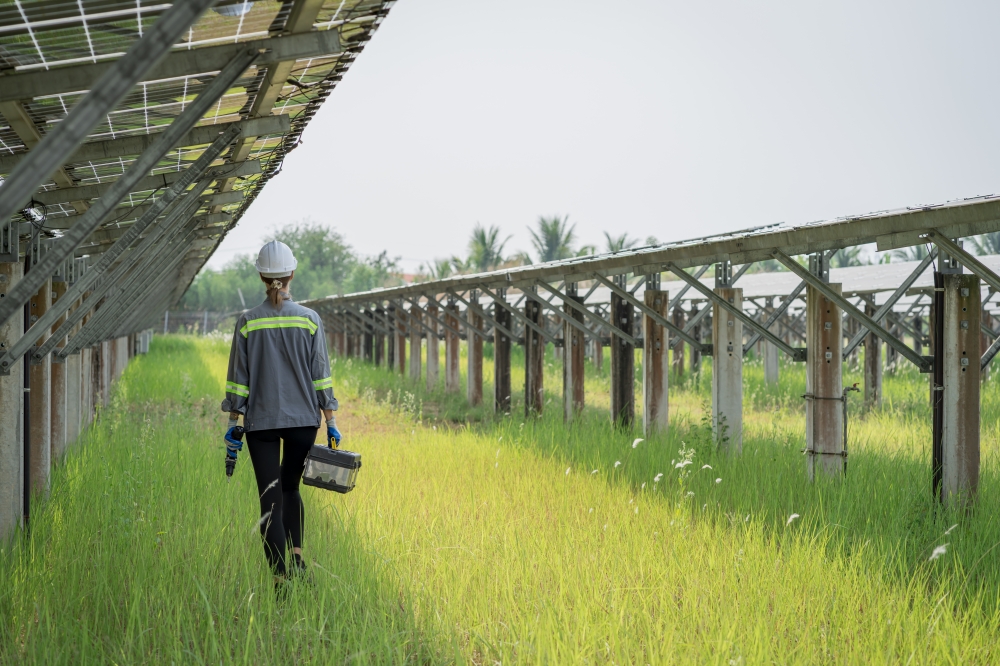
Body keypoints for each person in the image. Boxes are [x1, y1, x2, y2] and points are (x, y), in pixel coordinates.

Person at [221, 240, 341, 588]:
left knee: (269, 499)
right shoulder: (310, 320)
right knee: (291, 488)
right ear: (292, 274)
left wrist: (233, 424)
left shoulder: (247, 322)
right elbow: (321, 375)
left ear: (261, 276)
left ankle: (280, 581)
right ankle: (298, 560)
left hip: (261, 424)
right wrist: (331, 421)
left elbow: (238, 381)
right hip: (304, 422)